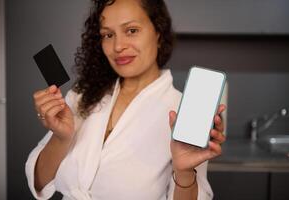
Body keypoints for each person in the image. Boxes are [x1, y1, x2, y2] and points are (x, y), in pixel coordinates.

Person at [26, 0, 226, 199]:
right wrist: (61, 139)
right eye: (108, 35)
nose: (118, 46)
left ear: (158, 33)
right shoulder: (82, 95)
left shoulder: (183, 113)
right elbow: (40, 182)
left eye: (131, 30)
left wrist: (183, 173)